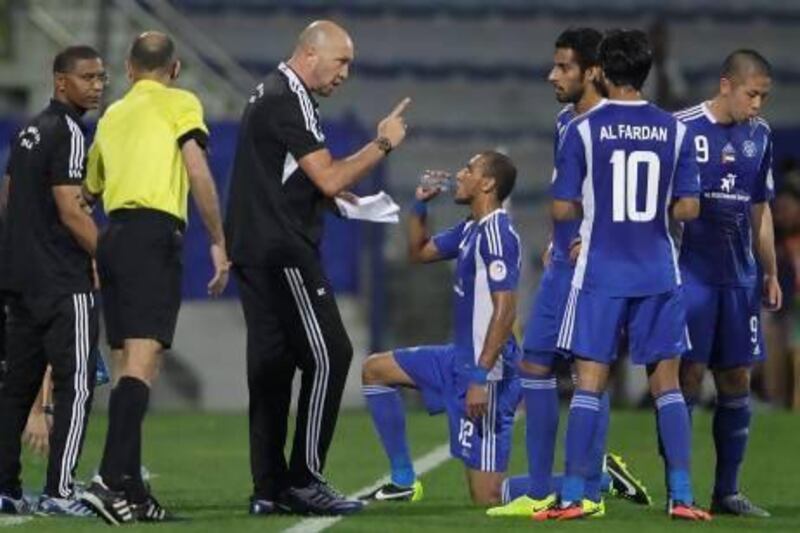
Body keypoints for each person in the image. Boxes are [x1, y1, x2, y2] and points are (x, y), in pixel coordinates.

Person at [224, 20, 410, 516]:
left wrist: (329, 198)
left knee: (271, 368)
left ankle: (269, 489)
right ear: (310, 54)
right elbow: (326, 176)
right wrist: (384, 143)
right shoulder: (293, 98)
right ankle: (304, 480)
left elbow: (281, 176)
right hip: (283, 250)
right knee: (332, 353)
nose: (346, 73)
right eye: (341, 61)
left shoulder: (268, 88)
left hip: (253, 248)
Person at [535, 29, 709, 521]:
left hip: (602, 271)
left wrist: (592, 209)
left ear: (603, 73)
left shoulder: (583, 129)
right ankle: (682, 496)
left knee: (590, 382)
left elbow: (563, 203)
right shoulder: (677, 130)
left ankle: (573, 496)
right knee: (668, 385)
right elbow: (690, 208)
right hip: (657, 268)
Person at [487, 28, 651, 519]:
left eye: (563, 67)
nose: (552, 75)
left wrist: (592, 239)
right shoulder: (566, 122)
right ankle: (549, 486)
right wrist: (560, 245)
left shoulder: (614, 125)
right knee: (535, 365)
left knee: (586, 374)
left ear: (593, 72)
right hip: (563, 264)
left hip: (596, 270)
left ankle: (589, 491)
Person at [79, 31, 230, 525]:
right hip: (152, 235)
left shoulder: (111, 114)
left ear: (127, 69)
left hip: (114, 235)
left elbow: (90, 190)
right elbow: (197, 166)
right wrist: (217, 238)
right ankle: (107, 479)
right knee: (143, 364)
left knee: (130, 367)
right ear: (175, 68)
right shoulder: (180, 102)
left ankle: (135, 495)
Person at [361, 151, 520, 505]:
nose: (459, 174)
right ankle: (403, 480)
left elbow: (506, 310)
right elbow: (418, 253)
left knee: (488, 498)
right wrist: (420, 207)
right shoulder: (470, 229)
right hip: (456, 360)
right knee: (375, 370)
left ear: (487, 183)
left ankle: (593, 480)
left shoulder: (497, 235)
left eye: (469, 169)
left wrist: (480, 377)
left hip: (487, 372)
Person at [0, 45, 105, 517]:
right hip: (64, 282)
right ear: (61, 81)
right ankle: (60, 492)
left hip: (20, 280)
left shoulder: (28, 130)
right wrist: (108, 258)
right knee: (76, 385)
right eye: (87, 78)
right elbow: (69, 206)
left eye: (101, 77)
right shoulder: (68, 131)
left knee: (15, 388)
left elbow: (7, 197)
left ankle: (5, 488)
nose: (98, 86)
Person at [673, 50, 779, 517]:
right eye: (751, 94)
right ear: (725, 85)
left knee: (736, 377)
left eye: (764, 96)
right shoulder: (680, 128)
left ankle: (728, 491)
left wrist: (771, 270)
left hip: (739, 278)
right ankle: (680, 490)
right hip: (690, 274)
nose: (757, 104)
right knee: (688, 375)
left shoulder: (761, 136)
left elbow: (760, 209)